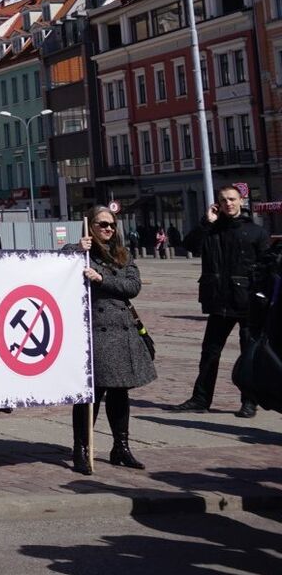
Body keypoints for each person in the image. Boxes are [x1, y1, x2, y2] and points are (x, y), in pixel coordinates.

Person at [66, 206, 156, 474]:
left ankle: (121, 447)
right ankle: (81, 448)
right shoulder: (81, 253)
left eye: (111, 225)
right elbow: (57, 268)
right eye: (102, 224)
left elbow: (133, 286)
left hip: (122, 331)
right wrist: (74, 250)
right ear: (90, 226)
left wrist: (102, 279)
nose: (108, 229)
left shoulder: (122, 254)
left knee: (120, 392)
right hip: (95, 329)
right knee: (90, 395)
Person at [175, 185, 274, 417]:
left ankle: (249, 401)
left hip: (247, 303)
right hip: (219, 301)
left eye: (232, 199)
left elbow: (266, 268)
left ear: (241, 201)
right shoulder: (211, 230)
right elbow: (189, 245)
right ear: (216, 204)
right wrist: (206, 222)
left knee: (249, 353)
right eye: (223, 200)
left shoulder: (255, 232)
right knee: (210, 352)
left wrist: (262, 298)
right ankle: (201, 398)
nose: (228, 203)